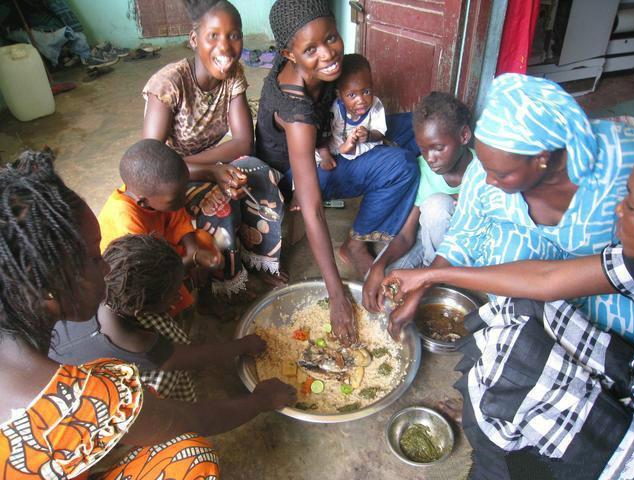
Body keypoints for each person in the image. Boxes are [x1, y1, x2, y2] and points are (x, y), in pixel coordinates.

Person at [0, 150, 295, 479]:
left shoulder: (17, 303)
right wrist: (261, 400)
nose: (107, 266)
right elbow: (192, 420)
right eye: (95, 259)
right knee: (191, 457)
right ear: (44, 281)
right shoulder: (84, 401)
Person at [381, 161, 634, 480]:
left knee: (514, 382)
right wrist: (428, 277)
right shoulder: (632, 262)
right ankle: (492, 418)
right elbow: (547, 278)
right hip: (630, 368)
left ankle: (502, 458)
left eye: (630, 205)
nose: (617, 210)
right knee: (517, 311)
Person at [388, 73, 634, 345]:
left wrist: (428, 277)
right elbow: (462, 236)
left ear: (541, 158)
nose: (487, 180)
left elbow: (550, 279)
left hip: (613, 281)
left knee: (618, 335)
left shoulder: (623, 166)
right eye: (485, 167)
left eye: (501, 174)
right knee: (503, 252)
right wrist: (422, 286)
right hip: (542, 274)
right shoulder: (484, 173)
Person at [255, 0, 419, 344]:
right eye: (311, 49)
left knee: (420, 128)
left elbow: (345, 100)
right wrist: (337, 294)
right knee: (401, 166)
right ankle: (356, 245)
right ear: (289, 53)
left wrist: (350, 135)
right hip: (297, 175)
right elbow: (312, 207)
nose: (328, 54)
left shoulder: (325, 69)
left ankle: (412, 203)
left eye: (331, 38)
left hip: (328, 142)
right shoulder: (295, 112)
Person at [143, 0, 288, 297]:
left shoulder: (233, 75)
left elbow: (244, 142)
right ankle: (227, 281)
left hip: (202, 164)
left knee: (259, 172)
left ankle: (261, 260)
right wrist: (211, 171)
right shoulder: (168, 85)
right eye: (213, 36)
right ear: (194, 39)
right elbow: (151, 166)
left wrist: (216, 169)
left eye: (234, 35)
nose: (225, 47)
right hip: (171, 179)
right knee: (218, 200)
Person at [49, 234, 267, 402]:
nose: (179, 297)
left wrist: (193, 259)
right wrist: (244, 345)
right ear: (142, 311)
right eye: (174, 294)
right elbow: (195, 356)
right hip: (90, 395)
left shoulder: (97, 286)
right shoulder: (137, 344)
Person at [362, 92, 474, 315]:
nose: (430, 157)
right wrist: (378, 265)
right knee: (378, 285)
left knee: (437, 207)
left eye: (438, 148)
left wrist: (423, 279)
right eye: (423, 149)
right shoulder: (422, 168)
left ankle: (433, 281)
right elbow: (406, 236)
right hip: (426, 242)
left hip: (461, 251)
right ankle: (426, 278)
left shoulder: (482, 172)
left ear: (463, 135)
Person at [97, 139, 222, 316]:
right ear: (143, 201)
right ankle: (179, 316)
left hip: (160, 250)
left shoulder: (153, 193)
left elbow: (178, 220)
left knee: (203, 241)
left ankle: (206, 301)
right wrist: (193, 260)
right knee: (172, 295)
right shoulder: (125, 221)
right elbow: (149, 273)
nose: (182, 200)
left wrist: (194, 250)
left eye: (183, 190)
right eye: (175, 199)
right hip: (137, 275)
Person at [319, 53, 387, 169]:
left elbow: (380, 132)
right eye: (351, 95)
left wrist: (369, 135)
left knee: (377, 147)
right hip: (334, 150)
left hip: (360, 147)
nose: (361, 100)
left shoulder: (375, 104)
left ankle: (350, 150)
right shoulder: (334, 110)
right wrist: (325, 156)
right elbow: (322, 136)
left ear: (372, 86)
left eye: (366, 92)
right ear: (339, 94)